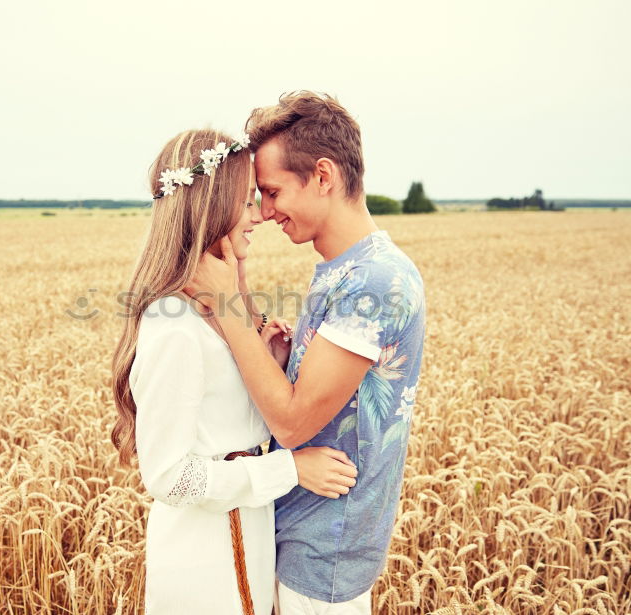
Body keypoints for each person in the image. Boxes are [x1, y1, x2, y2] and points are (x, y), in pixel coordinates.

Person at [184, 92, 427, 613]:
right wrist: (285, 354)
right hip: (303, 534)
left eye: (272, 192)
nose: (265, 212)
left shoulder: (374, 282)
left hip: (325, 551)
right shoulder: (346, 268)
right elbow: (311, 404)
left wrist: (226, 305)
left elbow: (293, 425)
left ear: (323, 176)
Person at [110, 128, 360, 615]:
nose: (259, 216)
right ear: (209, 208)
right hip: (202, 562)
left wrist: (275, 361)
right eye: (246, 202)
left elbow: (229, 425)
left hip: (243, 536)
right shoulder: (175, 324)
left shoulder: (219, 313)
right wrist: (289, 469)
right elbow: (169, 477)